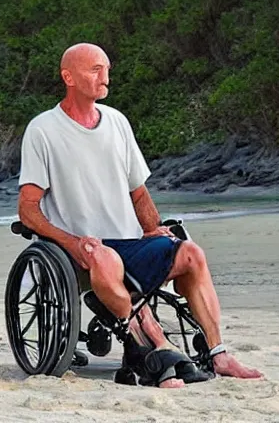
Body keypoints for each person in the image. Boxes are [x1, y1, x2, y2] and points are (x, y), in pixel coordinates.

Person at [17, 42, 263, 388]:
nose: (105, 78)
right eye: (95, 70)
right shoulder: (43, 130)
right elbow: (27, 209)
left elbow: (138, 192)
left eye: (107, 70)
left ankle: (218, 353)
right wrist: (71, 242)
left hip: (129, 243)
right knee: (101, 256)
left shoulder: (117, 122)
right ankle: (150, 340)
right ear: (68, 77)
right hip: (80, 251)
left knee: (190, 253)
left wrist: (155, 229)